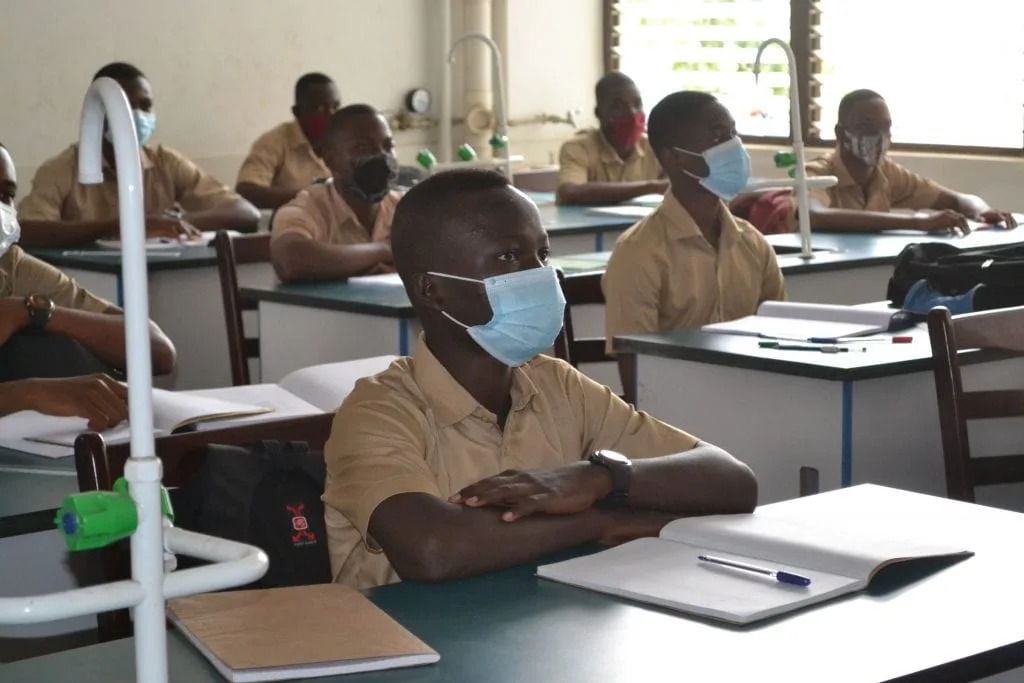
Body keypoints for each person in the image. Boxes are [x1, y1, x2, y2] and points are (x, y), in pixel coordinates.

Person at [322, 168, 758, 589]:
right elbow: (432, 549)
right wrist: (599, 518)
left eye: (542, 255)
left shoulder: (556, 385)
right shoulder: (378, 411)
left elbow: (732, 481)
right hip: (409, 648)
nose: (540, 275)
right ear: (432, 289)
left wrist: (596, 480)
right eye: (509, 257)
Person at [602, 91, 786, 393]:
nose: (733, 147)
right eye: (717, 135)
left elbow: (780, 336)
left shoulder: (753, 243)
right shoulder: (638, 252)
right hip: (676, 410)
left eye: (733, 133)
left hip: (753, 400)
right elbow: (636, 373)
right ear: (672, 157)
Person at [0, 143, 174, 429]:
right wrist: (28, 394)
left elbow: (156, 350)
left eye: (6, 196)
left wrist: (34, 312)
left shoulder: (11, 267)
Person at [17, 62, 260, 248]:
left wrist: (172, 223)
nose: (137, 115)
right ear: (97, 111)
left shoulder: (166, 162)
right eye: (125, 106)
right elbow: (28, 231)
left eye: (145, 106)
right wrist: (128, 226)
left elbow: (246, 214)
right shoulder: (63, 169)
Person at [737, 89, 1018, 236]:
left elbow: (955, 199)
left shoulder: (886, 173)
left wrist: (983, 211)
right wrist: (917, 224)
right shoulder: (818, 172)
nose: (879, 137)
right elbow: (816, 216)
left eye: (886, 128)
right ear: (840, 134)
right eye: (866, 127)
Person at [270, 104, 399, 283]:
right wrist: (385, 250)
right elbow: (290, 261)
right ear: (330, 160)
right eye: (362, 148)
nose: (381, 156)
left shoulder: (408, 207)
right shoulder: (305, 210)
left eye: (388, 146)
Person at [556, 72, 667, 205]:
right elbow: (569, 192)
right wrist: (650, 187)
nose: (632, 112)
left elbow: (674, 187)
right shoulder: (579, 148)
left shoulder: (655, 146)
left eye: (637, 104)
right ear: (599, 113)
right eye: (618, 106)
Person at [235, 73, 341, 209]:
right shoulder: (274, 142)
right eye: (320, 108)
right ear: (297, 112)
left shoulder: (344, 140)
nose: (331, 115)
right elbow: (247, 191)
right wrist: (311, 196)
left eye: (336, 107)